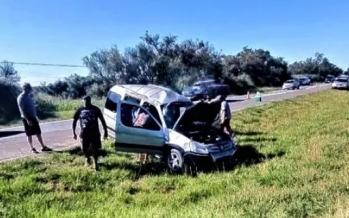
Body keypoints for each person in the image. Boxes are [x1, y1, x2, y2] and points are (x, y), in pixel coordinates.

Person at [72, 95, 108, 171]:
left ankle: (95, 164)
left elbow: (102, 120)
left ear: (90, 101)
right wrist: (74, 132)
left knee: (95, 148)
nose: (86, 102)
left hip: (94, 133)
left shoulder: (96, 109)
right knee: (83, 148)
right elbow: (74, 121)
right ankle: (87, 158)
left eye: (87, 100)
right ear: (82, 101)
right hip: (84, 133)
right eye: (84, 100)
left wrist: (105, 131)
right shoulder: (80, 110)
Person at [17, 83, 52, 153]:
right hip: (27, 118)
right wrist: (27, 119)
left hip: (33, 117)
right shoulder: (21, 97)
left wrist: (36, 116)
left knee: (38, 132)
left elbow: (32, 108)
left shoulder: (28, 96)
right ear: (25, 88)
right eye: (29, 88)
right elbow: (22, 110)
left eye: (30, 88)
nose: (30, 90)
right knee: (29, 134)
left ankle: (43, 146)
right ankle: (32, 148)